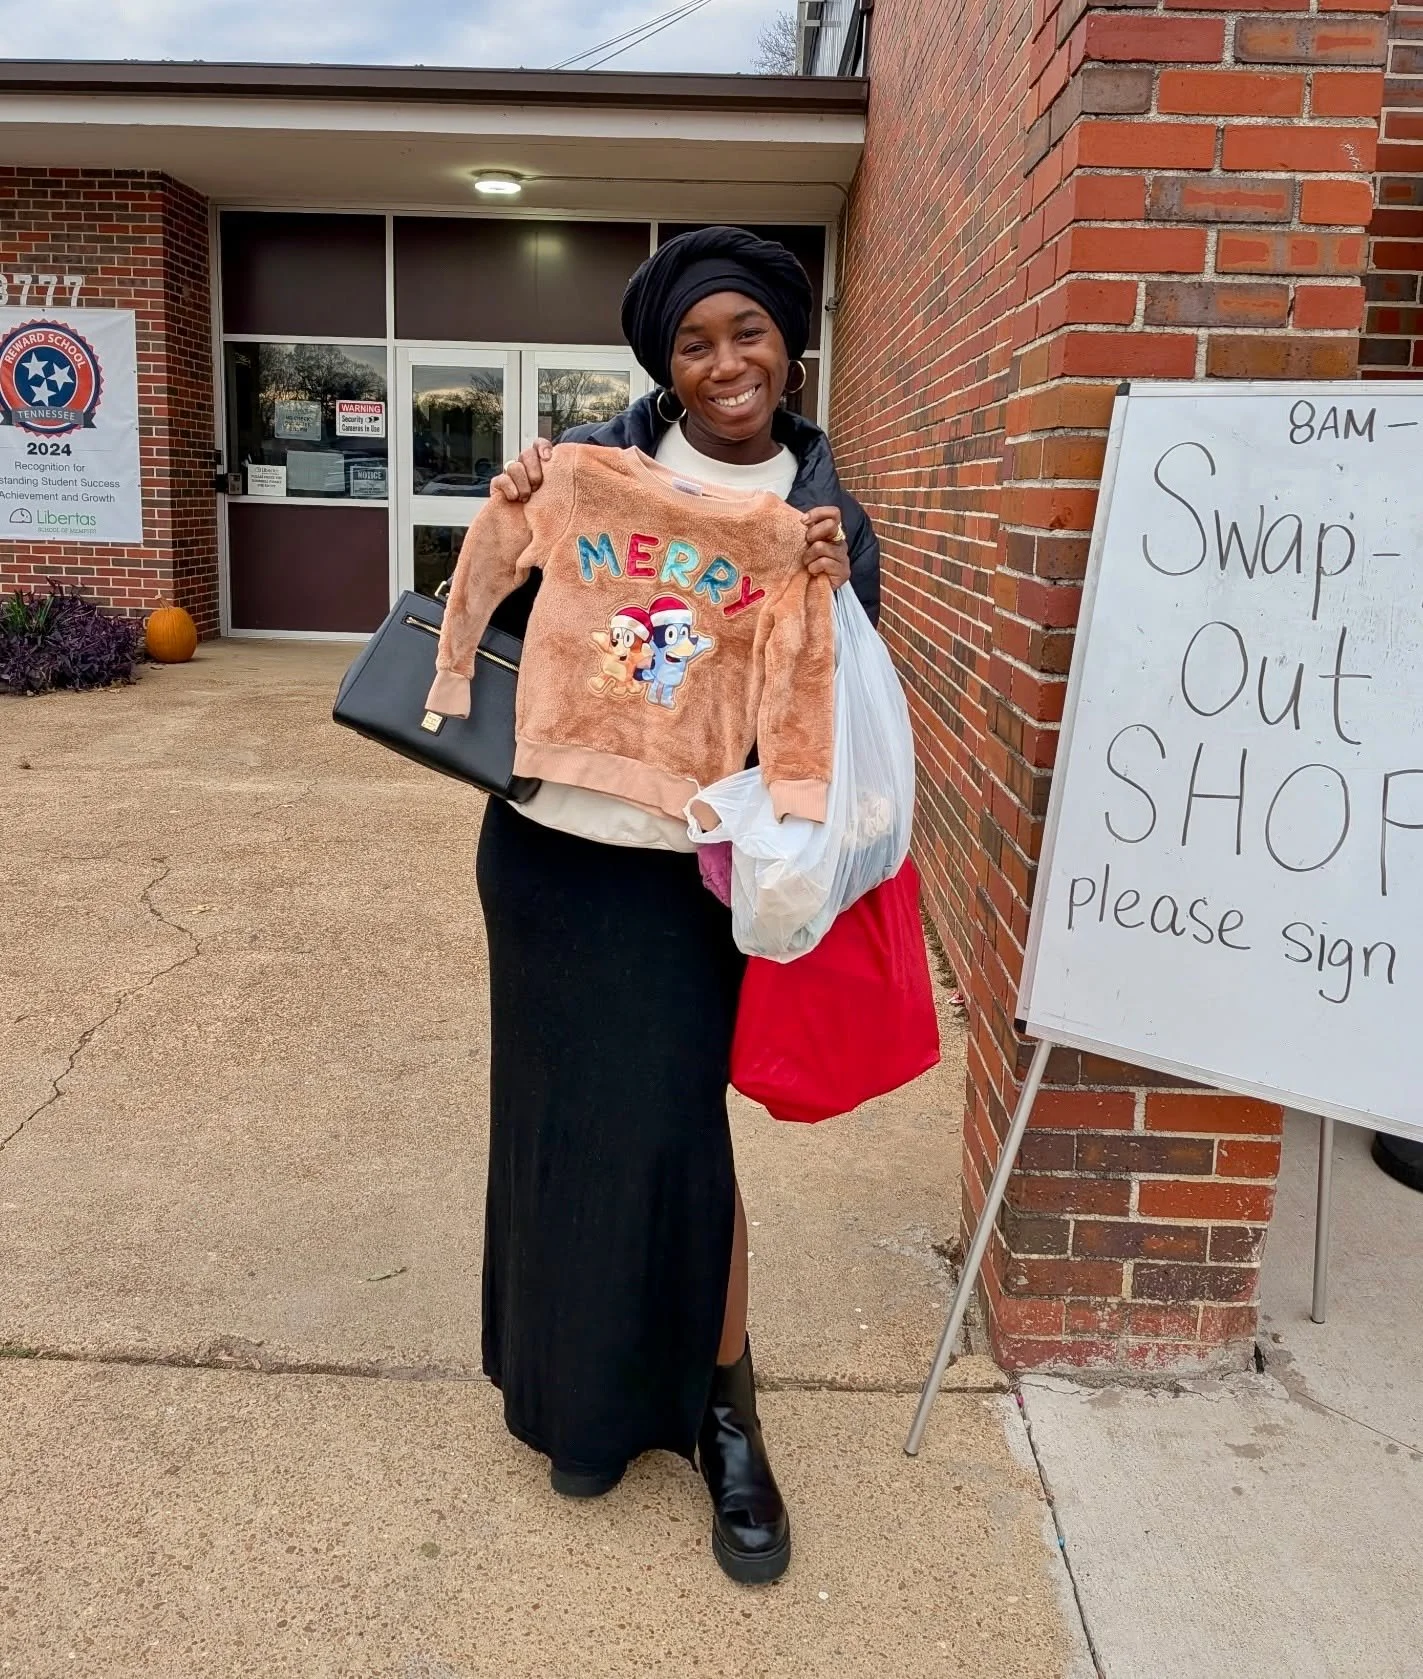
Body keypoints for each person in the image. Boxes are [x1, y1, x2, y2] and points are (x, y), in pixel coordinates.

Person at [473, 226, 879, 1585]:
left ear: (788, 346)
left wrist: (831, 591)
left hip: (686, 882)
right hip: (548, 855)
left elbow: (831, 715)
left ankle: (725, 1418)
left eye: (747, 333)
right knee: (556, 1131)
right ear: (665, 364)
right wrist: (517, 500)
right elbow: (507, 631)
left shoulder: (822, 514)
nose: (725, 364)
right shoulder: (594, 464)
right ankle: (578, 1405)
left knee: (676, 1141)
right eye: (695, 343)